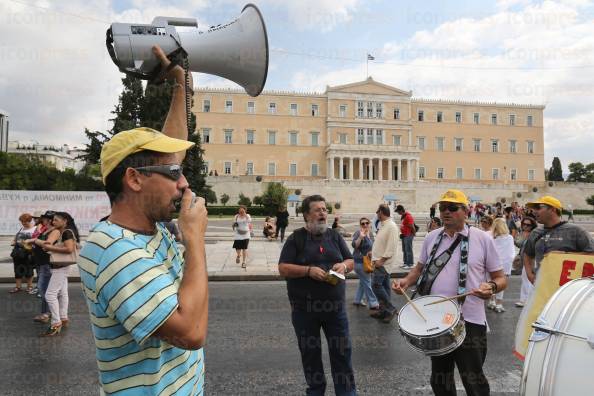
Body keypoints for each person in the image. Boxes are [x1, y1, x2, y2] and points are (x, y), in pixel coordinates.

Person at [77, 45, 208, 394]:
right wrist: (194, 239)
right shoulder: (115, 252)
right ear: (134, 179)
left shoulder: (145, 228)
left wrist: (179, 82)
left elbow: (173, 148)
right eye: (174, 174)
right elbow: (191, 333)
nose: (184, 183)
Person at [393, 189, 507, 396]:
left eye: (453, 208)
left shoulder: (483, 239)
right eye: (442, 208)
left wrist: (491, 287)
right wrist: (405, 282)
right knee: (440, 380)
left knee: (474, 380)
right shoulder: (431, 238)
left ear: (466, 211)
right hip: (436, 321)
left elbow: (501, 278)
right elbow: (418, 269)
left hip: (470, 320)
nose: (446, 212)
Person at [278, 195, 356, 395]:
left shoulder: (335, 236)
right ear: (307, 215)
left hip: (335, 309)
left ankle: (346, 392)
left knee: (342, 353)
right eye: (318, 210)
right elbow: (283, 268)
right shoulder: (296, 238)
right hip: (305, 310)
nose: (323, 213)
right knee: (310, 354)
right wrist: (307, 271)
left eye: (325, 210)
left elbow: (350, 260)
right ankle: (315, 391)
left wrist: (344, 266)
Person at [523, 196, 594, 284]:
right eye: (534, 208)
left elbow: (591, 255)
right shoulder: (535, 232)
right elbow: (527, 255)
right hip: (542, 288)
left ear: (553, 209)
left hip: (567, 287)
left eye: (538, 208)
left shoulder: (576, 231)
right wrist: (530, 275)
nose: (534, 211)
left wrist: (565, 256)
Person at [35, 211, 80, 336]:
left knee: (50, 295)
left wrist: (50, 248)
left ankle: (56, 323)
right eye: (52, 220)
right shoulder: (65, 232)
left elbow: (69, 249)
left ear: (65, 221)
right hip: (61, 267)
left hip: (60, 267)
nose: (53, 222)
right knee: (62, 293)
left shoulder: (66, 232)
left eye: (56, 220)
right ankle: (63, 318)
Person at [370, 204, 399, 323]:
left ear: (381, 212)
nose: (377, 214)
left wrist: (380, 261)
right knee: (385, 287)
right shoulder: (384, 225)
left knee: (376, 286)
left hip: (382, 263)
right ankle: (384, 311)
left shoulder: (391, 226)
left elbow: (391, 247)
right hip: (379, 261)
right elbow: (381, 243)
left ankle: (390, 309)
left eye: (378, 212)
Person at [26, 210, 55, 323]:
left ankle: (47, 313)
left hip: (46, 264)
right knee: (45, 289)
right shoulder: (44, 229)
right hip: (41, 263)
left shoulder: (53, 230)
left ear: (50, 220)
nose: (42, 219)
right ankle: (51, 313)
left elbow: (47, 244)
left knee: (44, 290)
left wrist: (34, 240)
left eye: (44, 218)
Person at [351, 217, 379, 310]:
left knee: (363, 282)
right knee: (367, 282)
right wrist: (360, 237)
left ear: (369, 224)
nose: (365, 225)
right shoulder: (358, 233)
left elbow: (373, 246)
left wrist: (372, 252)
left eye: (367, 223)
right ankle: (373, 303)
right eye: (363, 223)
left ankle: (357, 299)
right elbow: (354, 245)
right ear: (360, 225)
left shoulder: (370, 234)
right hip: (359, 263)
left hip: (367, 261)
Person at [489, 218, 516, 313]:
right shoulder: (509, 237)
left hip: (492, 262)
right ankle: (499, 303)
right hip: (505, 263)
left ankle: (492, 300)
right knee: (501, 284)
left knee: (492, 282)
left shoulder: (490, 237)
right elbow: (511, 252)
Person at [9, 213, 36, 294]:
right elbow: (15, 239)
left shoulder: (35, 229)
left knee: (29, 269)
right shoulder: (21, 229)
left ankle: (30, 286)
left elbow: (36, 240)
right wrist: (14, 242)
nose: (24, 223)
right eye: (22, 222)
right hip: (18, 253)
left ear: (30, 221)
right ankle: (18, 286)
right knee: (17, 269)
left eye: (25, 221)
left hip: (28, 253)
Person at [514, 216, 537, 307]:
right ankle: (524, 299)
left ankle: (528, 300)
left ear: (532, 226)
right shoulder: (522, 233)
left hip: (532, 259)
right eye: (524, 224)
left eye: (528, 225)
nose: (526, 226)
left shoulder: (534, 234)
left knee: (529, 279)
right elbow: (518, 243)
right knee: (525, 279)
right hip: (524, 258)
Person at [395, 204, 415, 269]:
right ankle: (406, 263)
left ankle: (410, 264)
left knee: (408, 249)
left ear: (401, 210)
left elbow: (412, 226)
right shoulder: (403, 216)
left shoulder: (408, 216)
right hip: (404, 235)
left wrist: (412, 234)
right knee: (404, 250)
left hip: (408, 235)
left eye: (398, 211)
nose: (397, 213)